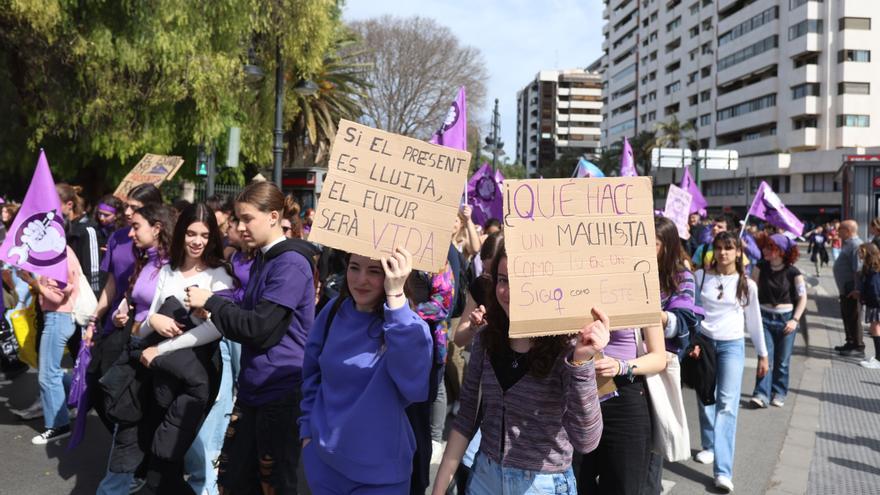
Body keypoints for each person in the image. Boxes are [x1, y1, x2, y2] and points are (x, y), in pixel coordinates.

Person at [432, 241, 607, 494]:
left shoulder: (571, 347)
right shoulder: (487, 337)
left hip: (543, 484)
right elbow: (465, 418)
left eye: (522, 280)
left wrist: (582, 363)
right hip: (484, 478)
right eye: (503, 279)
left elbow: (586, 441)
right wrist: (439, 488)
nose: (508, 291)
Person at [184, 181, 317, 494]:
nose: (239, 227)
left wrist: (213, 302)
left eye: (247, 219)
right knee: (234, 480)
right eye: (237, 219)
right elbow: (247, 306)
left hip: (280, 390)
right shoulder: (264, 257)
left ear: (273, 216)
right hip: (255, 387)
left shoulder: (291, 263)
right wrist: (216, 304)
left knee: (272, 483)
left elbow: (259, 328)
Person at [299, 248, 432, 493]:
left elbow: (414, 387)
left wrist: (395, 297)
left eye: (374, 271)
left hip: (382, 479)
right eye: (354, 267)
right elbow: (311, 375)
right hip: (323, 466)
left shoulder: (410, 326)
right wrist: (307, 432)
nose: (361, 279)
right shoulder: (332, 312)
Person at [136, 203, 236, 493]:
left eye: (204, 235)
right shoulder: (167, 270)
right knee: (158, 451)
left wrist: (163, 349)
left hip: (195, 375)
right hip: (158, 374)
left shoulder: (220, 275)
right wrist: (152, 320)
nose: (197, 241)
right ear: (181, 234)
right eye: (191, 233)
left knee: (175, 454)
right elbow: (147, 325)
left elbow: (214, 329)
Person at [95, 203, 175, 495]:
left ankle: (117, 484)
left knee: (133, 428)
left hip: (153, 358)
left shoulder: (173, 266)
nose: (130, 232)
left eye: (137, 225)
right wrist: (124, 311)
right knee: (121, 417)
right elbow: (135, 298)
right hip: (133, 349)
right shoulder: (147, 259)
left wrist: (149, 321)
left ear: (157, 227)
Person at [692, 231, 769, 493]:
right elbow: (690, 312)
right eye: (719, 248)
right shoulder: (701, 277)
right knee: (705, 397)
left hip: (732, 347)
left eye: (729, 248)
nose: (723, 252)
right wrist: (691, 343)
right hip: (704, 344)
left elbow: (754, 322)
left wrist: (762, 353)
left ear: (738, 252)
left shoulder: (747, 284)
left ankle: (723, 471)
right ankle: (709, 445)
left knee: (727, 405)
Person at [645, 216, 704, 493]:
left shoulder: (682, 275)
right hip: (625, 364)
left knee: (652, 448)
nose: (645, 248)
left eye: (653, 243)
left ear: (667, 246)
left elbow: (684, 324)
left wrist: (657, 317)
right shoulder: (633, 270)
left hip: (657, 370)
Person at [17, 245, 82, 445]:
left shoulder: (59, 255)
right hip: (59, 318)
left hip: (58, 317)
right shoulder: (60, 252)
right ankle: (82, 396)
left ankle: (58, 425)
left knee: (48, 374)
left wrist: (33, 283)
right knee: (53, 371)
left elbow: (57, 295)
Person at [749, 233, 807, 409]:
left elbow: (802, 297)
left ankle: (779, 391)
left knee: (782, 361)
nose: (765, 250)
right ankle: (761, 393)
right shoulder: (760, 267)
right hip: (764, 318)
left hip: (786, 319)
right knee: (764, 357)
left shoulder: (793, 272)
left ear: (781, 251)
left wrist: (795, 320)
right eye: (765, 246)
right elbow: (751, 289)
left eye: (770, 247)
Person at [57, 184, 102, 297]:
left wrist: (93, 303)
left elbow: (93, 271)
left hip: (80, 299)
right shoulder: (59, 229)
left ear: (69, 205)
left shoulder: (88, 230)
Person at [832, 220, 864, 357]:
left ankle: (858, 346)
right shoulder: (849, 244)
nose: (838, 232)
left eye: (840, 230)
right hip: (845, 288)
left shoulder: (856, 245)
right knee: (847, 315)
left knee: (853, 316)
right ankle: (850, 342)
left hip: (851, 288)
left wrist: (857, 289)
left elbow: (858, 270)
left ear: (848, 231)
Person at [858, 243, 880, 369]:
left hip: (875, 303)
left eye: (861, 252)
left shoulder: (872, 269)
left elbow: (874, 287)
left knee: (875, 328)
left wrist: (864, 297)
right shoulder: (873, 267)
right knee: (874, 328)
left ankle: (878, 359)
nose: (859, 255)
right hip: (875, 302)